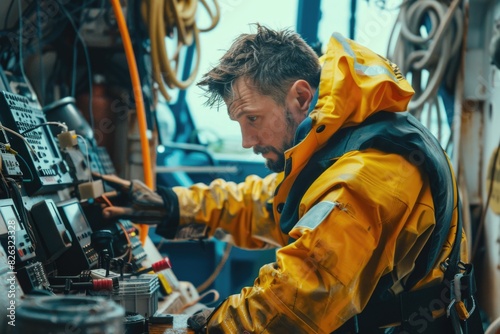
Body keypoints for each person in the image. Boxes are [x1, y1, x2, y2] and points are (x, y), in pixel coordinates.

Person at [98, 24, 483, 333]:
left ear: (300, 97)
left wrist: (211, 326)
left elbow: (299, 299)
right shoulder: (336, 148)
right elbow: (263, 202)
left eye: (252, 119)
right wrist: (172, 206)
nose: (248, 141)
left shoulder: (366, 177)